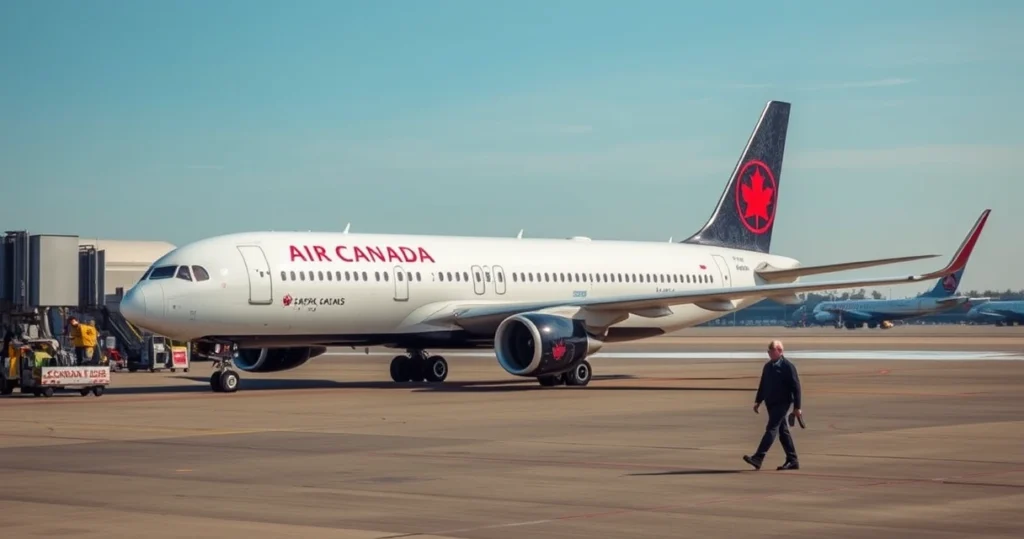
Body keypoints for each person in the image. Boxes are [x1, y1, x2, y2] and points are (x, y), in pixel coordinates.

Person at [743, 339, 802, 470]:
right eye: (768, 351)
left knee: (771, 428)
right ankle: (792, 460)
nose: (769, 353)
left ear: (780, 351)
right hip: (771, 403)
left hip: (782, 403)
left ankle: (758, 457)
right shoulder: (768, 366)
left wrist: (797, 407)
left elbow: (796, 387)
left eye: (771, 351)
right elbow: (763, 384)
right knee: (783, 431)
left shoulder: (787, 366)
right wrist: (758, 401)